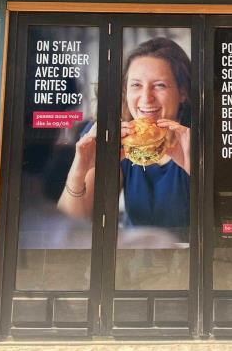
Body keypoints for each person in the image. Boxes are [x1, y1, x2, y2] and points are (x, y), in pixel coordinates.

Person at [58, 37, 191, 237]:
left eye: (160, 85)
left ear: (183, 93)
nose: (146, 98)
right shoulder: (111, 137)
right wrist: (80, 169)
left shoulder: (200, 138)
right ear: (125, 91)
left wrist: (194, 167)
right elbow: (68, 227)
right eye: (136, 85)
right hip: (132, 258)